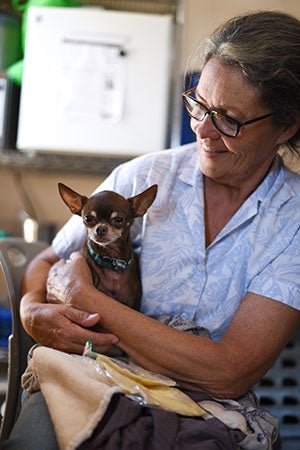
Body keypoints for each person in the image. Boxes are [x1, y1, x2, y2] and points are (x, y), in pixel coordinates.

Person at [3, 9, 300, 450]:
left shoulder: (291, 220)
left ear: (286, 127)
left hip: (206, 404)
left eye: (229, 119)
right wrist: (31, 310)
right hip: (94, 376)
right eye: (198, 103)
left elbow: (228, 371)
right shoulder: (140, 178)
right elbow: (48, 262)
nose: (203, 129)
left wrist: (84, 298)